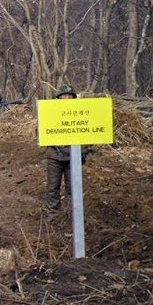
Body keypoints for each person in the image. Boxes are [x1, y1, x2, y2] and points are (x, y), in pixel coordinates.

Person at [44, 85, 91, 219]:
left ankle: (73, 214)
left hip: (73, 157)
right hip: (54, 156)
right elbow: (41, 133)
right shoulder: (49, 113)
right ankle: (53, 214)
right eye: (63, 96)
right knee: (53, 187)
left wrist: (84, 152)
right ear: (58, 98)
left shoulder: (81, 114)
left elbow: (87, 135)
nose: (66, 98)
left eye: (69, 96)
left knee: (73, 188)